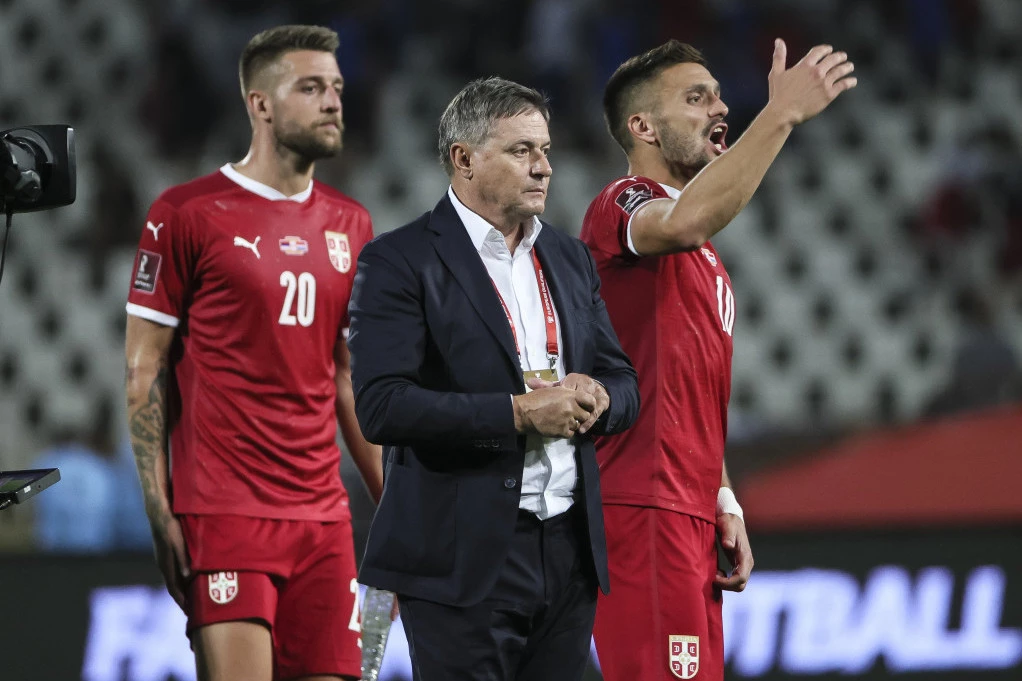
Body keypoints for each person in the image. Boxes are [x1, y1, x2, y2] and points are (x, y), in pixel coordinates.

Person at [580, 39, 857, 680]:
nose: (720, 107)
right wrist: (779, 115)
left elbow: (688, 394)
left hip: (687, 512)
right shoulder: (621, 204)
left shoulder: (706, 261)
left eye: (718, 95)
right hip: (641, 506)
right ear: (643, 127)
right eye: (695, 97)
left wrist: (723, 498)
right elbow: (683, 221)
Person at [347, 77, 640, 681]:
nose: (544, 167)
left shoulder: (569, 258)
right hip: (459, 556)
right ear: (464, 159)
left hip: (569, 551)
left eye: (546, 150)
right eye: (521, 150)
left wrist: (600, 397)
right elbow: (382, 407)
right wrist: (517, 414)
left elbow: (623, 379)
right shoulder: (398, 260)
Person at [123, 25, 382, 681]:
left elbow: (348, 377)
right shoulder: (185, 213)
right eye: (311, 88)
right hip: (225, 513)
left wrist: (398, 503)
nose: (333, 101)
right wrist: (159, 508)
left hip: (324, 520)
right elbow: (145, 367)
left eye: (336, 87)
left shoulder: (352, 223)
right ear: (260, 104)